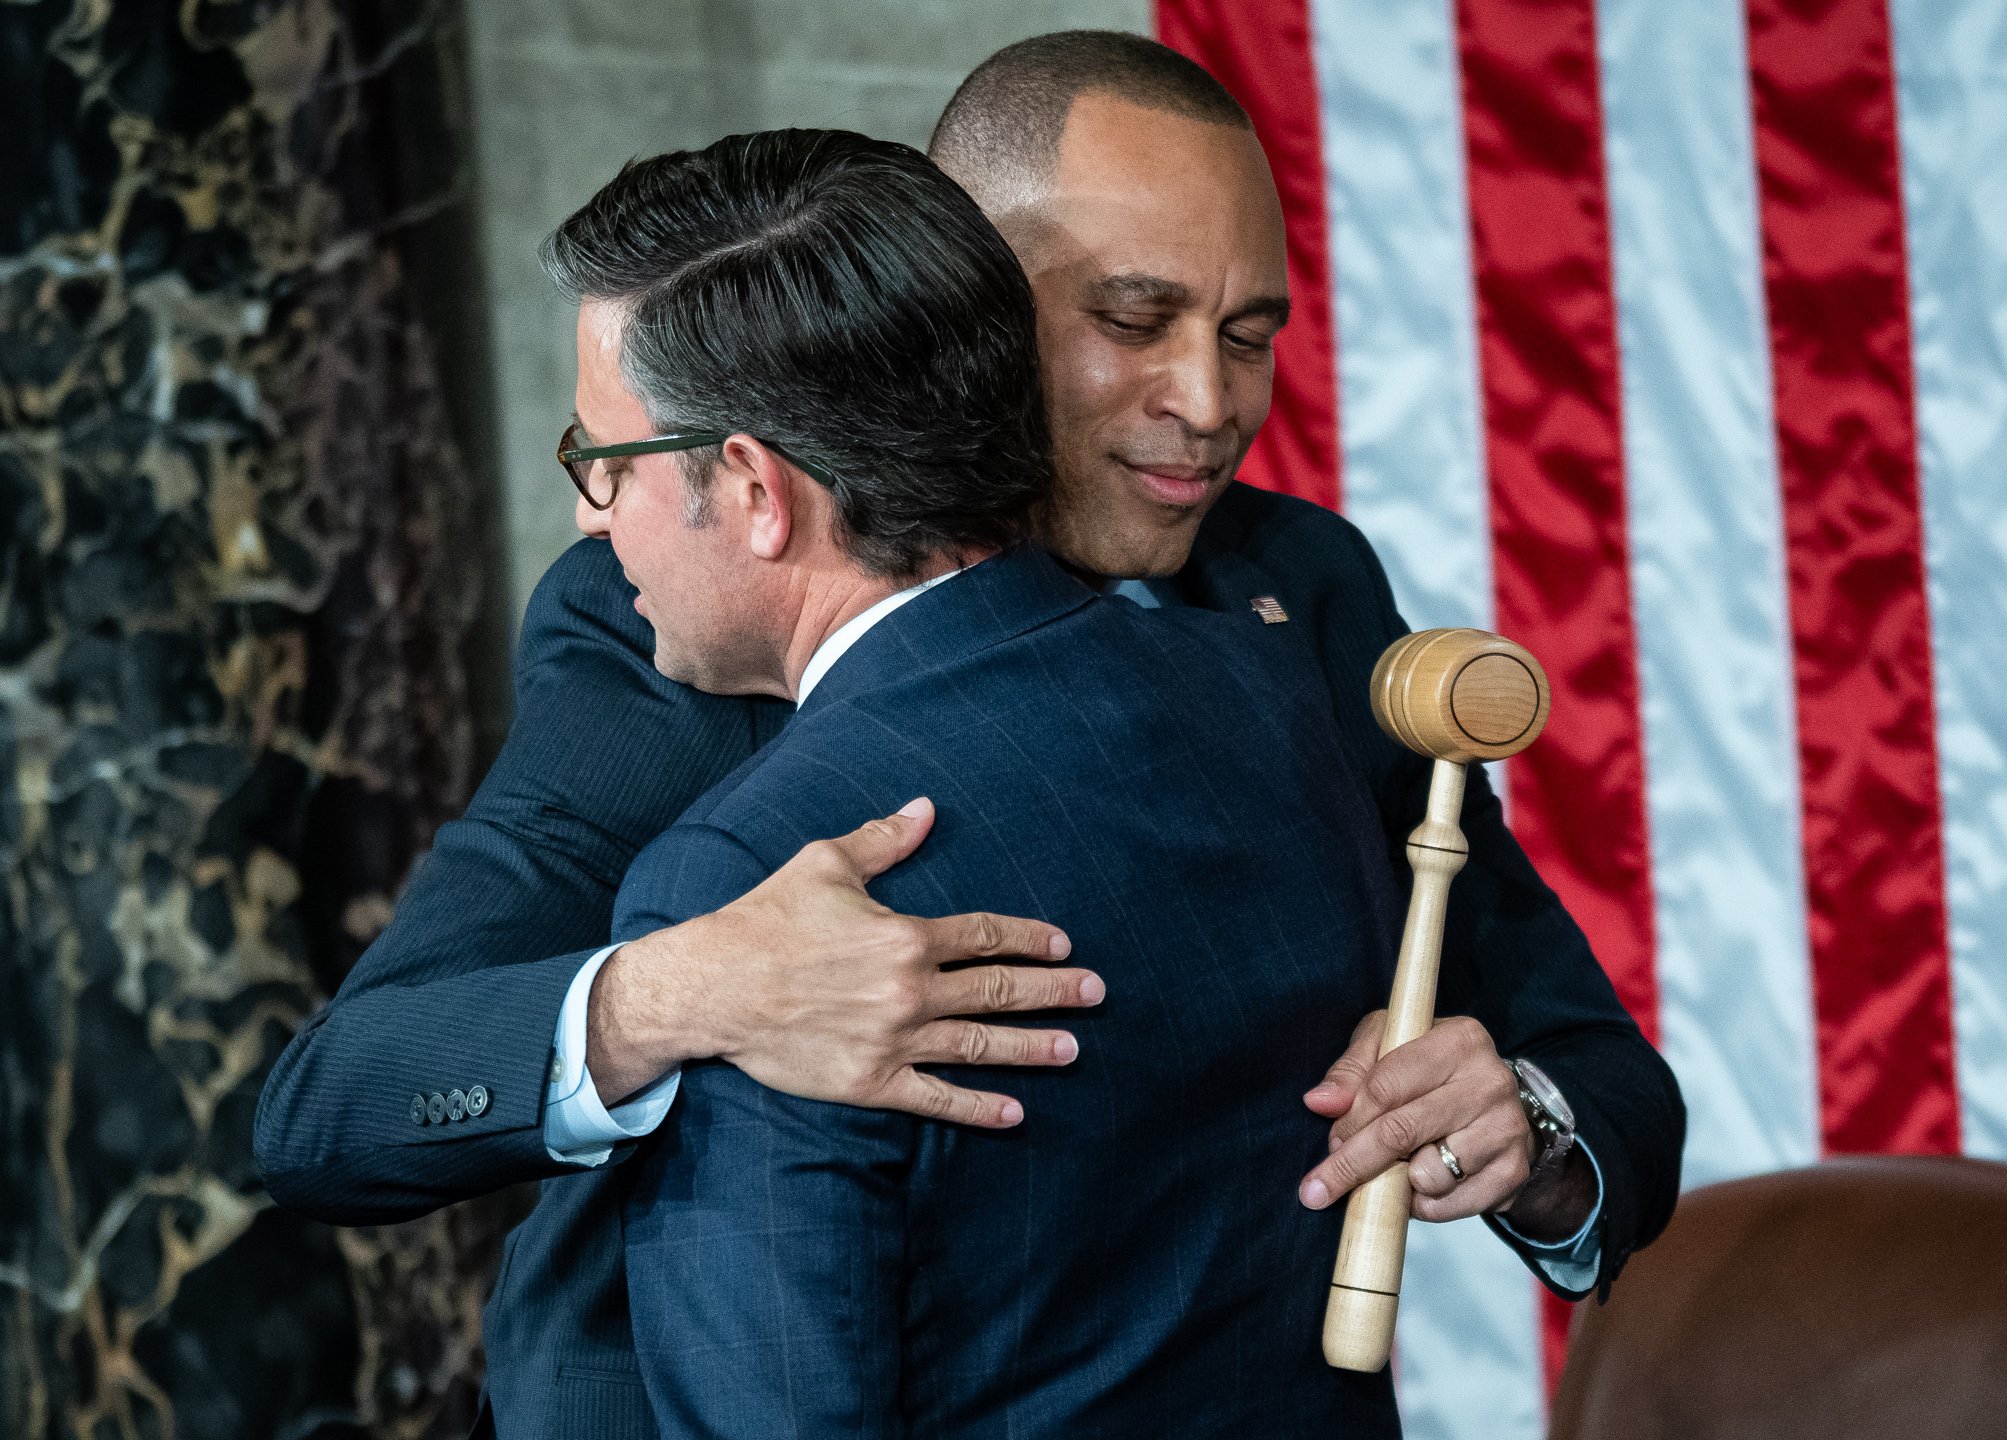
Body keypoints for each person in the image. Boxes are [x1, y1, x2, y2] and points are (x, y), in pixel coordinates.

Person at [252, 30, 1682, 1438]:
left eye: (1247, 336)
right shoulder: (667, 608)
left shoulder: (1295, 594)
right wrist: (674, 991)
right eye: (1132, 320)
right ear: (958, 308)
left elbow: (1597, 1067)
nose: (1209, 404)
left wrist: (1532, 1136)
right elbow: (335, 1106)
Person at [567, 126, 1403, 1435]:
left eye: (606, 465)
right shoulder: (1275, 698)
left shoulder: (766, 871)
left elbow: (778, 1413)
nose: (588, 517)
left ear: (751, 489)